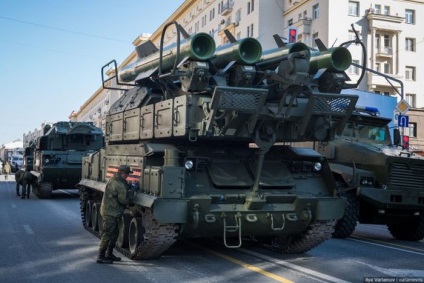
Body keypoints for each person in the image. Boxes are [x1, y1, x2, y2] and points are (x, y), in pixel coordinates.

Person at [97, 164, 136, 264]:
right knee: (108, 234)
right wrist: (132, 191)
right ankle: (101, 256)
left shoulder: (114, 179)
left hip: (111, 211)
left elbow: (120, 187)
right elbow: (125, 201)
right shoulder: (119, 184)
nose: (128, 176)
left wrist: (128, 186)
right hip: (111, 213)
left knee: (115, 234)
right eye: (127, 174)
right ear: (123, 174)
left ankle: (109, 254)